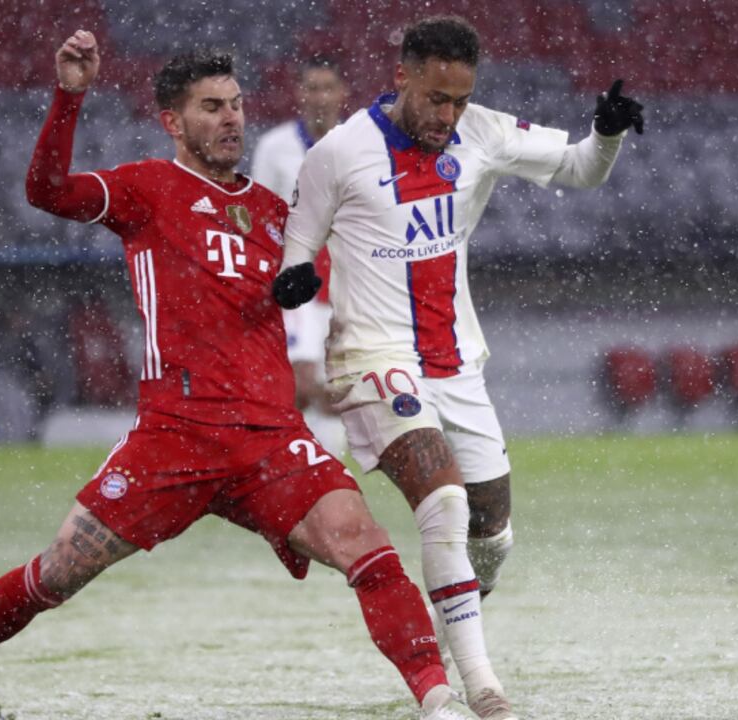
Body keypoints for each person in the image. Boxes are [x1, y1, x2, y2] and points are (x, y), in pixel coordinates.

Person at [0, 30, 471, 720]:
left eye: (236, 104)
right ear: (173, 122)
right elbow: (47, 190)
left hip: (270, 438)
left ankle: (438, 700)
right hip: (174, 437)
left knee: (368, 547)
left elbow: (341, 288)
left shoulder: (277, 218)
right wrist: (70, 95)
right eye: (211, 106)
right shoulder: (148, 189)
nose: (230, 118)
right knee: (57, 571)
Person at [271, 15, 643, 720]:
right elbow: (297, 249)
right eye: (436, 98)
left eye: (459, 100)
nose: (447, 115)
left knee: (493, 535)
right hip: (372, 359)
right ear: (402, 75)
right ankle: (478, 690)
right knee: (442, 501)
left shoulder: (482, 132)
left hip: (455, 363)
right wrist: (294, 283)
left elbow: (581, 169)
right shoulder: (338, 153)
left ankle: (451, 636)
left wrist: (609, 134)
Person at [251, 55, 349, 458]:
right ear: (299, 94)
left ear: (342, 94)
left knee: (335, 396)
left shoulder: (357, 144)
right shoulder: (275, 147)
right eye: (312, 88)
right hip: (295, 287)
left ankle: (326, 482)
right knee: (299, 386)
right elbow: (255, 219)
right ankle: (285, 472)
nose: (320, 97)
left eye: (327, 88)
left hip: (346, 287)